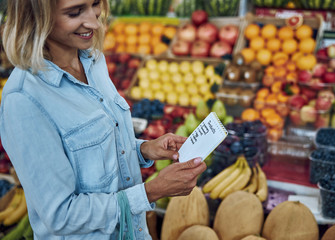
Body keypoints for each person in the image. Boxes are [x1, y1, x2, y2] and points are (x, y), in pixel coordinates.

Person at [0, 0, 207, 239]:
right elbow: (61, 215)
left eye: (95, 4)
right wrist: (150, 192)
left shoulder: (92, 59)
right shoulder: (25, 100)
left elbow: (93, 151)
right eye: (75, 12)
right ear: (35, 17)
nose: (94, 22)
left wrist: (144, 150)